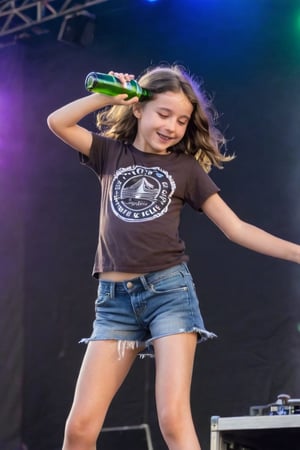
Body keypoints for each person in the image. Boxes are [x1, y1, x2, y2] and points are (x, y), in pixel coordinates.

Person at [47, 65, 300, 450]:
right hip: (114, 305)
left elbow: (236, 228)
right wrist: (110, 95)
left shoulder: (185, 168)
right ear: (138, 110)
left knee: (173, 420)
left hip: (168, 294)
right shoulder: (110, 153)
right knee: (79, 430)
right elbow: (57, 122)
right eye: (163, 114)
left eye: (182, 120)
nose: (172, 126)